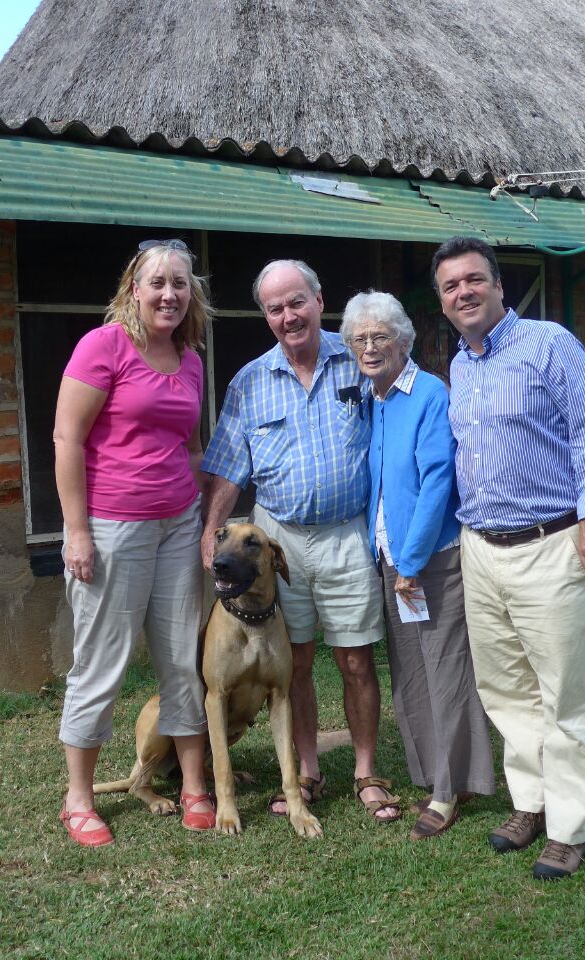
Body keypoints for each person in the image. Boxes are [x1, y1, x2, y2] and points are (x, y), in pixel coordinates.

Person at [432, 236, 585, 879]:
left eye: (473, 279)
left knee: (563, 693)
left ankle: (569, 829)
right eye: (451, 286)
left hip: (549, 544)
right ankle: (531, 804)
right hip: (482, 549)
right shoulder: (461, 366)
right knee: (506, 689)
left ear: (498, 285)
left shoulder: (548, 344)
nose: (463, 292)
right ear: (442, 300)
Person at [200, 260, 402, 823]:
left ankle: (366, 771)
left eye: (296, 302)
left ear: (318, 301)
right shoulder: (249, 381)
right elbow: (227, 467)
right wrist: (210, 532)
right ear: (266, 317)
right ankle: (307, 770)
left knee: (356, 659)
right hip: (277, 539)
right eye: (275, 308)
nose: (288, 316)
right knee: (299, 660)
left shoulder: (358, 360)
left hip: (346, 533)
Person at [52, 239, 216, 846]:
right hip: (113, 528)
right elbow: (67, 440)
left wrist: (201, 514)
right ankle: (78, 798)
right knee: (102, 661)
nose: (169, 294)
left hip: (178, 524)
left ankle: (194, 784)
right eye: (158, 283)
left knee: (181, 657)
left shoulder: (190, 358)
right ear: (134, 289)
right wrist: (76, 531)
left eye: (180, 283)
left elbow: (190, 447)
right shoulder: (104, 347)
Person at [341, 291, 495, 841]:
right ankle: (439, 776)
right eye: (359, 339)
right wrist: (389, 558)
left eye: (380, 336)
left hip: (429, 561)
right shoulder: (375, 398)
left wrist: (409, 562)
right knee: (411, 672)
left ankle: (448, 790)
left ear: (403, 341)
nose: (369, 347)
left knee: (445, 670)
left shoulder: (428, 393)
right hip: (392, 560)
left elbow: (437, 483)